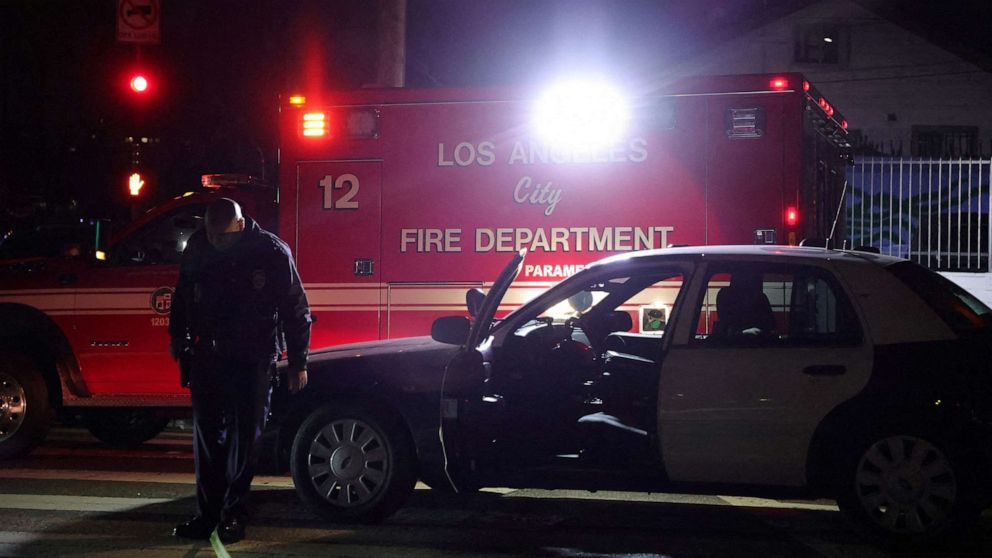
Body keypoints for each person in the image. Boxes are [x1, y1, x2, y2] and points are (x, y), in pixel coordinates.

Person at [168, 197, 311, 544]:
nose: (217, 243)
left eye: (223, 237)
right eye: (211, 235)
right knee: (207, 438)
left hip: (253, 355)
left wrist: (298, 362)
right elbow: (183, 295)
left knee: (246, 438)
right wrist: (179, 341)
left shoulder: (271, 252)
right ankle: (208, 514)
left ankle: (233, 512)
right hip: (208, 355)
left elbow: (295, 308)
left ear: (240, 224)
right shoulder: (200, 245)